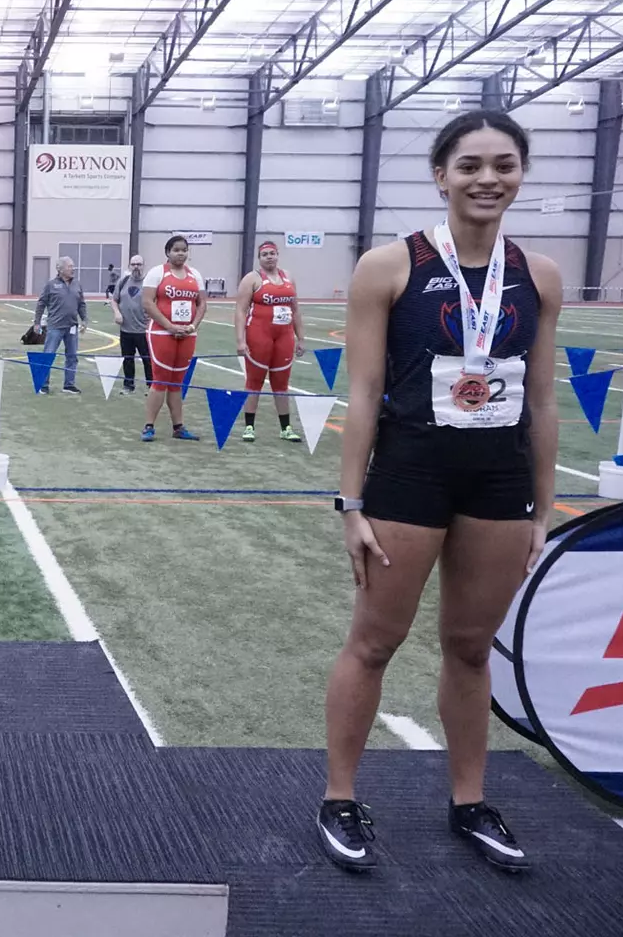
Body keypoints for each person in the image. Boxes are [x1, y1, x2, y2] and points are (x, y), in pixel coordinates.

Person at [318, 111, 560, 875]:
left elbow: (545, 401)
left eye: (504, 164)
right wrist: (351, 505)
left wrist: (543, 509)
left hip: (498, 478)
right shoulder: (389, 266)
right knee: (376, 640)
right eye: (470, 166)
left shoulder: (539, 276)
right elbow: (360, 394)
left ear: (520, 173)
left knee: (467, 646)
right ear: (441, 176)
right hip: (409, 473)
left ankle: (469, 801)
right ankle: (340, 797)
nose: (488, 178)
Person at [233, 241, 303, 442]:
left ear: (278, 255)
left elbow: (296, 310)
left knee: (281, 383)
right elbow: (240, 311)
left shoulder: (288, 277)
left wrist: (302, 338)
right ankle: (249, 426)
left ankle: (286, 428)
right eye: (265, 254)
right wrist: (240, 340)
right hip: (259, 335)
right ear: (259, 258)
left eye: (272, 253)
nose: (270, 257)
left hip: (284, 336)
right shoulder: (252, 279)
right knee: (254, 381)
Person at [142, 236, 204, 441]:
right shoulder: (156, 273)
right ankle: (149, 426)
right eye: (176, 250)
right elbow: (148, 303)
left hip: (187, 334)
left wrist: (192, 326)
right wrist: (169, 326)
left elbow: (202, 304)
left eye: (184, 250)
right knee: (160, 380)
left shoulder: (195, 274)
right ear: (167, 252)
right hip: (161, 333)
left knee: (177, 383)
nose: (181, 254)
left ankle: (179, 427)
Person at [32, 257, 86, 395]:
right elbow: (41, 303)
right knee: (48, 355)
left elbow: (81, 304)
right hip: (55, 326)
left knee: (72, 356)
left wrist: (84, 320)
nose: (72, 269)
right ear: (60, 269)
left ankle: (69, 385)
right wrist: (37, 322)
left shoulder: (77, 285)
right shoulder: (51, 285)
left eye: (73, 266)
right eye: (69, 266)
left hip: (72, 326)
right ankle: (43, 385)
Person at [111, 255, 152, 393]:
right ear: (129, 266)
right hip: (126, 330)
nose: (136, 267)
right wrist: (117, 313)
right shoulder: (123, 282)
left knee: (148, 360)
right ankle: (128, 385)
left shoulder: (149, 283)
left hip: (144, 330)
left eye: (139, 264)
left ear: (143, 266)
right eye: (133, 264)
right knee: (127, 359)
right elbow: (114, 300)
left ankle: (151, 387)